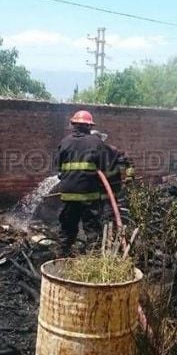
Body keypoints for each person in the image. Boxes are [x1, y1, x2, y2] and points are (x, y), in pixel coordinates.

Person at [56, 110, 108, 256]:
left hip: (68, 194)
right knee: (92, 230)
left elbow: (59, 168)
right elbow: (104, 167)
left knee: (66, 230)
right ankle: (93, 263)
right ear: (89, 126)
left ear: (74, 125)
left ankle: (61, 259)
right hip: (89, 194)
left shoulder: (64, 142)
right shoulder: (96, 142)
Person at [91, 129, 135, 209]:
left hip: (110, 188)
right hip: (99, 190)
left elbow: (128, 161)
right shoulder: (89, 153)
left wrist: (129, 176)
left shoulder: (112, 151)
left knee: (109, 212)